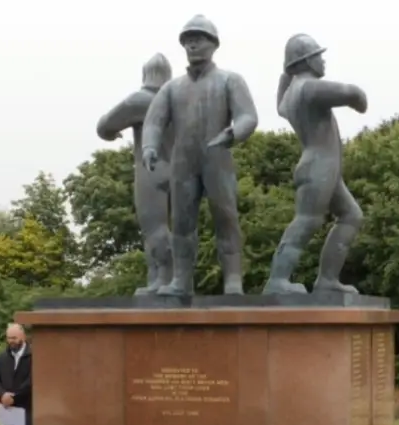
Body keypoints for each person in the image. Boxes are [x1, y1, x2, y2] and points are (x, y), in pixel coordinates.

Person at [141, 14, 259, 296]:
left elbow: (248, 116)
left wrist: (232, 133)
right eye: (188, 40)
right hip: (183, 162)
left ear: (214, 44)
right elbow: (154, 121)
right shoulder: (172, 87)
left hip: (217, 157)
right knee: (182, 223)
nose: (193, 45)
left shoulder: (230, 80)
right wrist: (149, 146)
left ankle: (233, 280)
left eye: (199, 39)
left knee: (226, 218)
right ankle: (181, 281)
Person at [263, 33, 367, 295]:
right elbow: (351, 93)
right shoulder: (309, 88)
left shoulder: (291, 96)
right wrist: (359, 99)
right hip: (319, 166)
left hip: (323, 167)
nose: (323, 61)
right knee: (307, 221)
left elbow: (279, 106)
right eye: (318, 56)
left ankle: (327, 280)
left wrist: (286, 73)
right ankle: (277, 280)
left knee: (351, 216)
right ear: (306, 61)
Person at [96, 53, 174, 295]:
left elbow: (105, 125)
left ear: (144, 74)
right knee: (179, 228)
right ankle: (168, 279)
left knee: (154, 226)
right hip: (181, 170)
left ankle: (163, 279)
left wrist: (111, 135)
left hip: (151, 169)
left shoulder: (140, 100)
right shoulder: (179, 99)